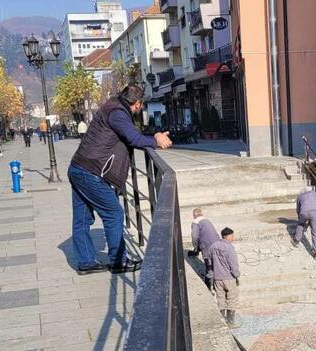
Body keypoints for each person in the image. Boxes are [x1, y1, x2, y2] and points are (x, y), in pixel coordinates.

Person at [68, 83, 172, 275]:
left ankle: (86, 262)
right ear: (138, 104)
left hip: (79, 167)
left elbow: (130, 133)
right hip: (91, 171)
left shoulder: (114, 106)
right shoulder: (118, 112)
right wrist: (155, 141)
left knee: (82, 219)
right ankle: (118, 261)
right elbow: (134, 139)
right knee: (114, 213)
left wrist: (153, 134)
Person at [209, 227, 241, 328]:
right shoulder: (229, 248)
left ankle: (221, 322)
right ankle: (230, 322)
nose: (233, 238)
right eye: (232, 236)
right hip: (229, 278)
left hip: (217, 278)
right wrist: (236, 275)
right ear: (227, 237)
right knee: (232, 299)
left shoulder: (213, 246)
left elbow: (210, 262)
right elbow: (233, 264)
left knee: (220, 299)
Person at [188, 208, 221, 287]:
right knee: (217, 260)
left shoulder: (195, 222)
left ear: (194, 215)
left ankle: (209, 282)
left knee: (208, 262)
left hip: (206, 245)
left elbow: (195, 236)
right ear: (202, 214)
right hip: (217, 242)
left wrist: (196, 247)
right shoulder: (207, 220)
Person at [293, 188, 316, 258]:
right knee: (315, 232)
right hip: (314, 212)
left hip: (303, 213)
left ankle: (296, 240)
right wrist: (315, 211)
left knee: (301, 224)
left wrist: (300, 217)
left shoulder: (300, 196)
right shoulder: (315, 194)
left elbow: (298, 210)